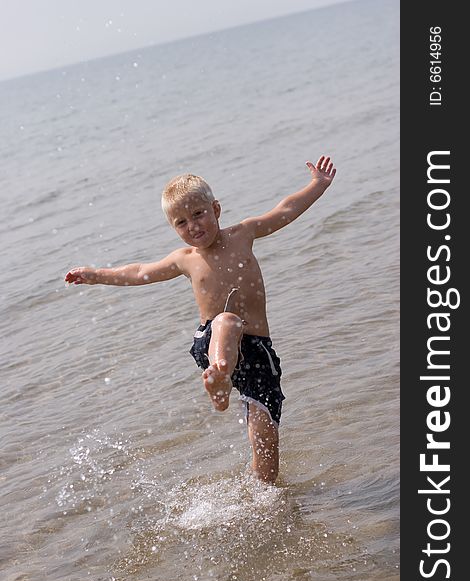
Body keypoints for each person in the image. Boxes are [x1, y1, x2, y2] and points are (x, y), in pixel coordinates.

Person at [65, 156, 336, 483]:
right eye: (181, 222)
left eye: (198, 214)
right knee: (228, 322)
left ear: (216, 210)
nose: (192, 225)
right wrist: (97, 275)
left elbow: (284, 211)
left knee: (266, 440)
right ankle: (220, 379)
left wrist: (318, 185)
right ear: (173, 228)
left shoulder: (243, 234)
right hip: (213, 342)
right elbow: (139, 272)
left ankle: (264, 496)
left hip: (257, 350)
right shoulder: (184, 259)